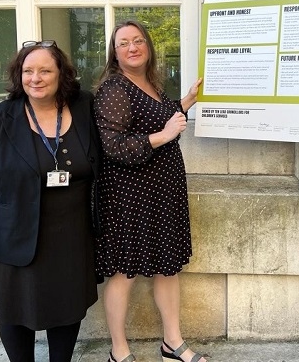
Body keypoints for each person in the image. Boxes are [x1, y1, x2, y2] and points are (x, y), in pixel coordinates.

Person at [0, 40, 102, 362]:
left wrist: (178, 110)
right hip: (14, 232)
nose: (36, 78)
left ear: (61, 75)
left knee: (67, 307)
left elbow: (124, 127)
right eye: (28, 71)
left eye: (45, 70)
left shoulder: (85, 106)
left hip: (73, 234)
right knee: (15, 311)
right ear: (19, 76)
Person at [93, 20, 204, 362]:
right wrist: (163, 136)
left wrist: (185, 102)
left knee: (167, 267)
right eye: (124, 42)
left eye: (138, 40)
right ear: (115, 52)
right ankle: (119, 350)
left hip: (162, 191)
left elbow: (162, 119)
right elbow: (112, 146)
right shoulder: (115, 88)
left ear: (149, 46)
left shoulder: (151, 83)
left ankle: (172, 342)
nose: (132, 47)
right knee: (125, 274)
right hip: (130, 197)